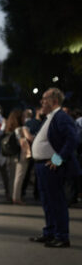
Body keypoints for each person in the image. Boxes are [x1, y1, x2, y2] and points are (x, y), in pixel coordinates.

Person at [29, 88, 79, 248]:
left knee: (57, 202)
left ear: (54, 101)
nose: (41, 102)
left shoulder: (61, 117)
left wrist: (58, 159)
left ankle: (62, 236)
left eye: (45, 99)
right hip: (42, 165)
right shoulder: (50, 117)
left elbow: (72, 139)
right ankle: (50, 232)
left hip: (52, 167)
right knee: (47, 202)